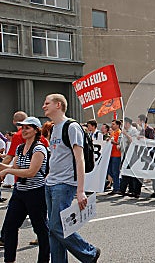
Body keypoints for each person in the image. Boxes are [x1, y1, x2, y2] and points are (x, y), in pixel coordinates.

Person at [42, 93, 100, 262]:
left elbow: (79, 158)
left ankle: (89, 253)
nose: (43, 106)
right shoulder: (54, 128)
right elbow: (56, 156)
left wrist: (80, 190)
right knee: (53, 231)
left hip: (64, 184)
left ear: (58, 105)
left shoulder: (71, 127)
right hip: (51, 183)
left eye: (47, 103)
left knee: (56, 226)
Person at [0, 117, 50, 263]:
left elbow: (31, 172)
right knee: (10, 226)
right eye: (22, 128)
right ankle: (9, 260)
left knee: (41, 229)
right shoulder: (20, 148)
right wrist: (4, 168)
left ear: (36, 130)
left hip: (36, 193)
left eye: (28, 128)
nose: (24, 131)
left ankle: (44, 260)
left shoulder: (39, 148)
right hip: (19, 192)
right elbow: (14, 168)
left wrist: (6, 172)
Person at [119, 117, 139, 197]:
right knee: (124, 171)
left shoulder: (134, 130)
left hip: (132, 154)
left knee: (131, 172)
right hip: (125, 153)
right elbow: (122, 141)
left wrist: (126, 134)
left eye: (125, 123)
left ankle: (133, 190)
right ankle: (122, 189)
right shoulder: (123, 131)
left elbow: (133, 141)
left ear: (128, 123)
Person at [107, 119, 122, 195]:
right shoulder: (113, 133)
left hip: (116, 155)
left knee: (115, 171)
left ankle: (117, 188)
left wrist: (114, 142)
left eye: (113, 124)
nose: (112, 125)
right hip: (111, 154)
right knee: (110, 171)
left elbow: (120, 143)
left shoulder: (119, 133)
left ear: (118, 125)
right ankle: (117, 185)